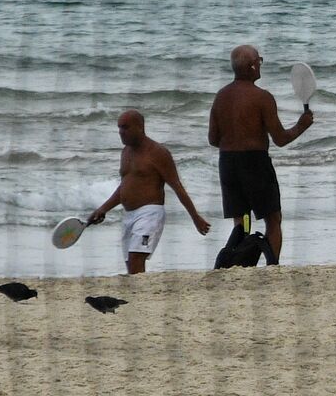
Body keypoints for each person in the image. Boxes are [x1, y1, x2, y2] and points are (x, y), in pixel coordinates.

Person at [208, 45, 313, 262]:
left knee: (243, 219)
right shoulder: (262, 97)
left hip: (228, 164)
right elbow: (281, 139)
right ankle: (272, 264)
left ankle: (240, 260)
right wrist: (302, 125)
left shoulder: (221, 96)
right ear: (253, 66)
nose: (261, 64)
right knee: (273, 219)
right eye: (260, 60)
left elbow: (212, 139)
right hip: (255, 164)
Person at [88, 110, 211, 274]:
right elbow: (125, 187)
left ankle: (137, 295)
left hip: (150, 213)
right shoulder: (125, 152)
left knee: (136, 258)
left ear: (140, 127)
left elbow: (176, 186)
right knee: (131, 266)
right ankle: (136, 296)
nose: (121, 132)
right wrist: (103, 208)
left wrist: (195, 217)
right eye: (119, 128)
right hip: (129, 215)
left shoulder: (158, 153)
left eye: (125, 127)